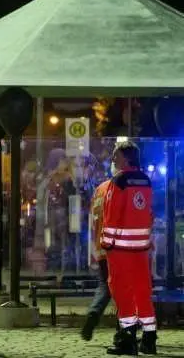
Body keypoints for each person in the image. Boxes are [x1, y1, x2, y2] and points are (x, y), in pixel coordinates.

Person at [101, 141, 157, 355]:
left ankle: (127, 340)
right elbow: (148, 213)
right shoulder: (145, 180)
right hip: (141, 248)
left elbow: (111, 216)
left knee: (122, 291)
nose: (114, 159)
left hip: (120, 249)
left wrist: (106, 242)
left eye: (116, 156)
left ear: (126, 158)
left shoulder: (119, 181)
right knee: (143, 290)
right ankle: (149, 339)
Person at [81, 176, 113, 341]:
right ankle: (127, 330)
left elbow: (92, 218)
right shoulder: (118, 187)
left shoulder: (99, 190)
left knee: (104, 286)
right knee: (125, 289)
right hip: (118, 248)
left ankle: (94, 312)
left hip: (101, 247)